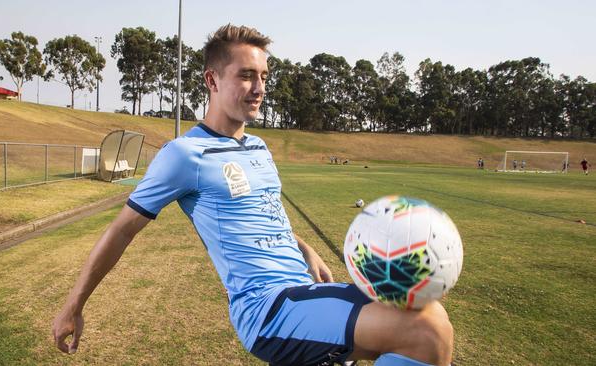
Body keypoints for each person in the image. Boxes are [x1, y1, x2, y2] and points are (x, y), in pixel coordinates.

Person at [52, 24, 453, 366]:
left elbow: (263, 215)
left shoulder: (259, 147)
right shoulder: (184, 155)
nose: (259, 87)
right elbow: (122, 230)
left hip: (300, 291)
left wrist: (305, 248)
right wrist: (74, 304)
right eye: (246, 75)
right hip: (266, 309)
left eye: (263, 76)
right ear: (212, 80)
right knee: (427, 330)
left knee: (427, 318)